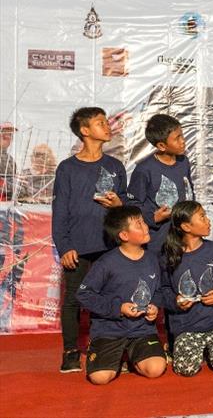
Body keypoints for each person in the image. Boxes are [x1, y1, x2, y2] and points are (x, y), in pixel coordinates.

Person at [53, 107, 127, 373]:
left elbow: (125, 206)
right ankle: (71, 352)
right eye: (99, 123)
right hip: (78, 246)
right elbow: (60, 211)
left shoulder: (115, 166)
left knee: (111, 297)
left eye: (106, 122)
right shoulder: (67, 168)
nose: (106, 127)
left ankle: (109, 347)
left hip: (110, 245)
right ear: (85, 131)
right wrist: (65, 246)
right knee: (74, 299)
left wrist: (119, 203)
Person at [75, 206, 166, 384]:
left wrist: (155, 305)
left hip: (142, 330)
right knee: (100, 378)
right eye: (138, 224)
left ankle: (131, 357)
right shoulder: (106, 263)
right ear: (124, 235)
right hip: (109, 331)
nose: (145, 226)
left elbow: (160, 290)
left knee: (156, 369)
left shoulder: (153, 259)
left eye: (143, 221)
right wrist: (118, 308)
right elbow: (84, 294)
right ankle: (110, 355)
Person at [160, 201, 213, 376]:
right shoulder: (168, 256)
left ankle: (209, 349)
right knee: (186, 369)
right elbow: (163, 290)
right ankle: (193, 349)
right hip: (186, 325)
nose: (208, 220)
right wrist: (176, 301)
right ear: (186, 226)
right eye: (202, 216)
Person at [128, 114, 195, 255]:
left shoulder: (184, 162)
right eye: (177, 138)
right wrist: (154, 218)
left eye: (182, 135)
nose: (183, 141)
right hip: (158, 242)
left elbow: (189, 190)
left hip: (183, 237)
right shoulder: (144, 170)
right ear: (161, 145)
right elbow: (133, 205)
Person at [0, 122, 17, 201]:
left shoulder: (10, 159)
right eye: (4, 136)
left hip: (8, 198)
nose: (8, 138)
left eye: (10, 135)